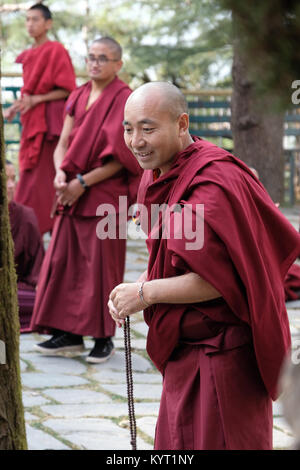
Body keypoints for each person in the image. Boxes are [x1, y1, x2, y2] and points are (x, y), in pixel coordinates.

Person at [108, 81, 300, 450]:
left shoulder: (213, 181)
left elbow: (219, 279)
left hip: (223, 356)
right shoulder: (159, 173)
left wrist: (144, 294)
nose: (136, 141)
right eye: (128, 129)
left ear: (182, 124)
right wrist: (133, 289)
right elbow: (172, 257)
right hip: (187, 350)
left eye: (148, 128)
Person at [30, 37, 142, 363]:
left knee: (100, 267)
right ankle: (69, 333)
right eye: (91, 57)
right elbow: (63, 142)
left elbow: (125, 156)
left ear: (118, 64)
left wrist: (82, 181)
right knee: (65, 262)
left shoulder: (125, 99)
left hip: (104, 194)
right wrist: (60, 175)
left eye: (103, 58)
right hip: (71, 192)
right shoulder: (77, 95)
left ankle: (103, 336)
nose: (95, 63)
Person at [4, 3, 76, 235]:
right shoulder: (30, 54)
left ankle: (48, 228)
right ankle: (32, 232)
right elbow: (29, 92)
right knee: (29, 180)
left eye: (35, 19)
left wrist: (36, 100)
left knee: (43, 182)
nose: (30, 24)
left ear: (48, 23)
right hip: (33, 121)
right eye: (27, 19)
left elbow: (67, 89)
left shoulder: (55, 50)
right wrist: (16, 107)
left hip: (49, 124)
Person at [6, 160, 44, 333]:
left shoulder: (25, 216)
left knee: (46, 302)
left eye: (13, 179)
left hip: (17, 291)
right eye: (5, 180)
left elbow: (38, 268)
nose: (11, 185)